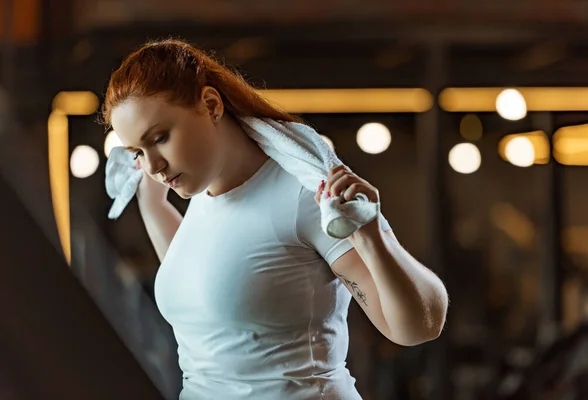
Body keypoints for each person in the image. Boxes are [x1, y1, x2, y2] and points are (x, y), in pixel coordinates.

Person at [102, 38, 448, 400]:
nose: (153, 166)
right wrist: (152, 203)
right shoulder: (201, 197)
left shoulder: (304, 196)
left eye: (159, 138)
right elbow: (199, 279)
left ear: (210, 104)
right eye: (137, 152)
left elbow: (418, 326)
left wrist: (374, 238)